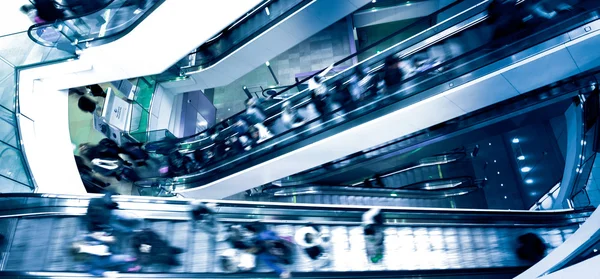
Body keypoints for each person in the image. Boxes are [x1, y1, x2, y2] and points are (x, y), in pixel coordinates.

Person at [71, 231, 140, 276]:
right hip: (105, 260)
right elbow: (92, 270)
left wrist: (102, 236)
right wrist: (105, 273)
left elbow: (91, 236)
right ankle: (130, 266)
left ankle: (132, 259)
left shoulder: (86, 240)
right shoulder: (85, 262)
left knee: (123, 256)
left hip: (106, 249)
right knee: (123, 260)